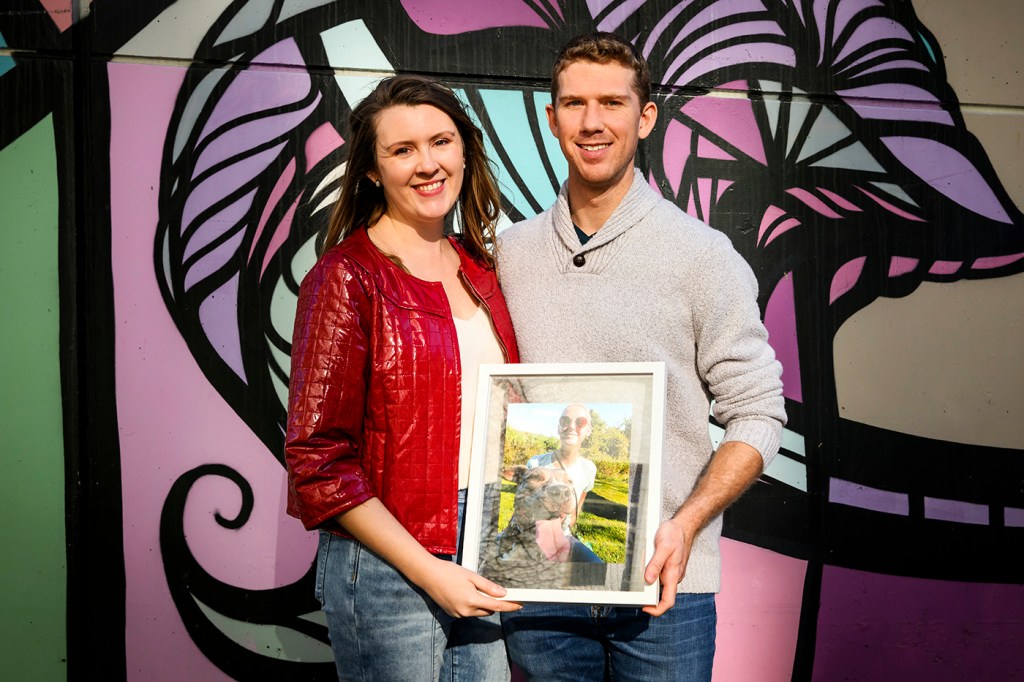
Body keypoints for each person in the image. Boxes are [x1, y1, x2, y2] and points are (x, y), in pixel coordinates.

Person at [497, 33, 787, 681]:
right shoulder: (508, 256)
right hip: (541, 579)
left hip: (665, 589)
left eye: (611, 103)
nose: (592, 122)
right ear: (551, 119)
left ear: (645, 117)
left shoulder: (702, 256)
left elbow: (759, 413)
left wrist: (685, 525)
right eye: (573, 104)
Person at [284, 74, 521, 682]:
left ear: (465, 150)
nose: (427, 164)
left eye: (441, 142)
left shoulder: (485, 269)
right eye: (401, 150)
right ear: (370, 170)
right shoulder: (346, 277)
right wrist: (429, 569)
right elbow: (317, 461)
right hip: (388, 563)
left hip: (485, 546)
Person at [526, 403, 597, 531]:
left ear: (588, 431)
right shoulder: (535, 464)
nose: (571, 426)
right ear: (558, 428)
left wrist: (565, 532)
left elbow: (577, 507)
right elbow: (523, 506)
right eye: (565, 420)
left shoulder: (589, 469)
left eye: (580, 422)